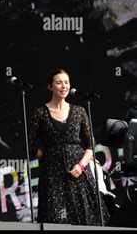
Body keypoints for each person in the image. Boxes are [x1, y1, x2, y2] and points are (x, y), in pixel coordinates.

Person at [28, 69, 109, 225]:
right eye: (59, 82)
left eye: (66, 82)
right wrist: (48, 156)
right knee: (57, 218)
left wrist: (81, 165)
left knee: (86, 216)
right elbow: (29, 144)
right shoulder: (40, 113)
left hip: (79, 172)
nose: (63, 86)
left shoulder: (79, 111)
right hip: (52, 176)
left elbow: (90, 143)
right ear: (50, 87)